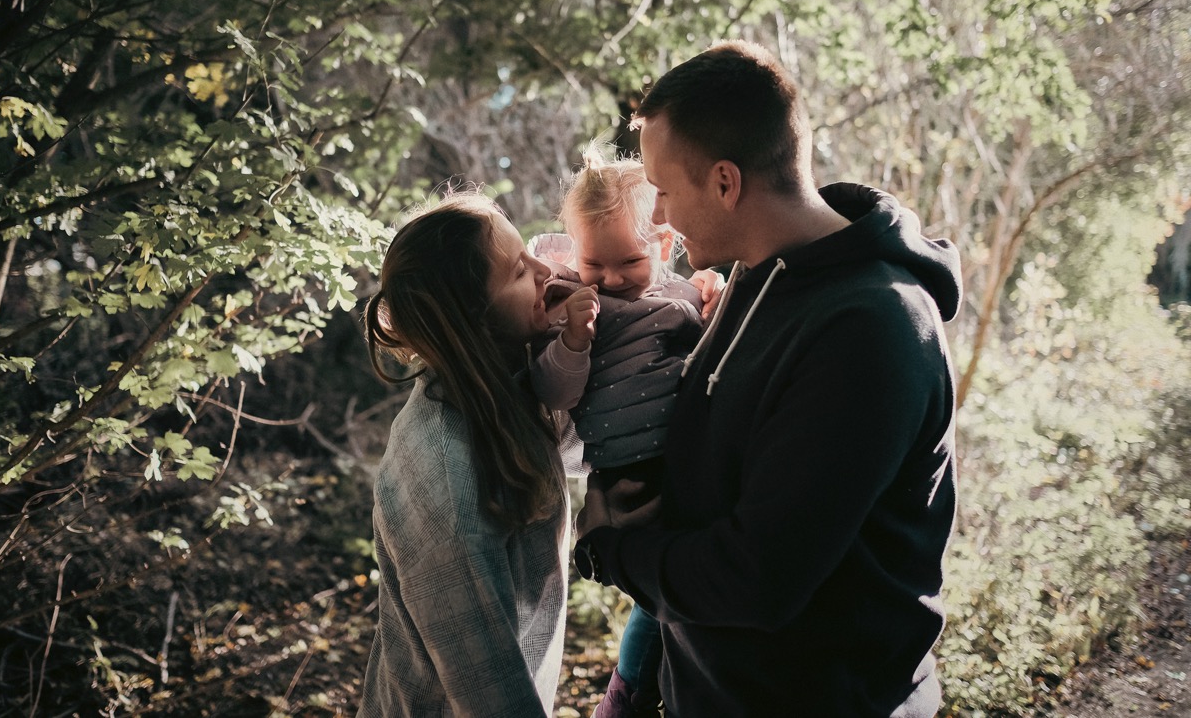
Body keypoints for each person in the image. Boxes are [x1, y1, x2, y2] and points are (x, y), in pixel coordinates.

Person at [572, 40, 962, 717]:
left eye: (663, 191)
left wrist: (617, 551)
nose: (657, 215)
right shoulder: (754, 272)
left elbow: (757, 577)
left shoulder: (870, 329)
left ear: (725, 183)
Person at [357, 193, 571, 717]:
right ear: (473, 319)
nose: (547, 270)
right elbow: (489, 695)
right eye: (521, 272)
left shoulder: (502, 396)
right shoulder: (445, 477)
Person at [527, 155, 715, 718]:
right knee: (660, 601)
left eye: (629, 260)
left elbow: (709, 358)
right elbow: (554, 395)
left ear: (663, 245)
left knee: (681, 597)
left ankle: (654, 685)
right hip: (622, 475)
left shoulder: (678, 294)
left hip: (686, 464)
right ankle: (629, 690)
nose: (609, 278)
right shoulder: (576, 306)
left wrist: (713, 303)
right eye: (594, 262)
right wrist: (574, 343)